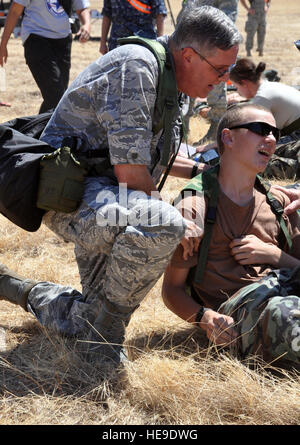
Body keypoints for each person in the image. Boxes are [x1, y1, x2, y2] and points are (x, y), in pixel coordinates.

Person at [0, 6, 241, 369]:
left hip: (108, 198)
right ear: (189, 56)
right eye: (221, 70)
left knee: (87, 320)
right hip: (69, 196)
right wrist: (170, 216)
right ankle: (108, 341)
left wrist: (209, 169)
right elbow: (131, 172)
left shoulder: (177, 80)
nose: (224, 80)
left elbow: (148, 157)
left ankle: (18, 288)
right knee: (164, 224)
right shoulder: (137, 67)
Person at [162, 102, 300, 369]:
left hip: (284, 288)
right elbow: (172, 290)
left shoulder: (278, 200)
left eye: (275, 133)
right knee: (283, 315)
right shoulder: (194, 206)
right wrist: (204, 318)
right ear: (228, 137)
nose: (270, 139)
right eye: (260, 130)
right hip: (246, 311)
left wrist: (274, 255)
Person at [0, 1, 91, 114]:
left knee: (55, 98)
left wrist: (86, 24)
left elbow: (82, 8)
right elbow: (15, 10)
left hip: (63, 41)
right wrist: (3, 44)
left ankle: (40, 130)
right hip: (36, 38)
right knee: (56, 95)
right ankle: (42, 130)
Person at [229, 57, 300, 179]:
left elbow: (246, 133)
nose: (238, 91)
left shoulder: (263, 98)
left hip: (297, 136)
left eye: (236, 87)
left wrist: (215, 144)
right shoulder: (270, 86)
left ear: (244, 83)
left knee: (255, 153)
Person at [184, 0, 239, 145]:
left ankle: (215, 127)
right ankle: (182, 126)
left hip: (212, 42)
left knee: (216, 72)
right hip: (191, 36)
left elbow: (227, 22)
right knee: (186, 76)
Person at [99, 0, 167, 54]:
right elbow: (107, 14)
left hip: (144, 43)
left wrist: (159, 43)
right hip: (117, 43)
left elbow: (160, 14)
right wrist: (103, 43)